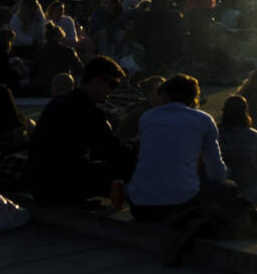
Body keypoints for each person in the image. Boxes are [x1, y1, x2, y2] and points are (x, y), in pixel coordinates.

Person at [126, 74, 238, 221]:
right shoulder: (203, 120)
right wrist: (223, 175)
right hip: (179, 205)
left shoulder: (148, 117)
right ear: (193, 98)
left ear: (165, 95)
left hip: (140, 207)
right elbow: (216, 169)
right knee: (230, 187)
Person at [24, 56, 135, 205]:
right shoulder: (87, 111)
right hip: (61, 188)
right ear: (97, 81)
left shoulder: (58, 101)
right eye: (112, 84)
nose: (113, 91)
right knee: (126, 165)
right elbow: (111, 151)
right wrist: (135, 148)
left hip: (39, 186)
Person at [218, 95, 257, 203]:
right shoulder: (253, 135)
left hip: (221, 187)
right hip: (249, 187)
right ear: (245, 112)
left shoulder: (215, 133)